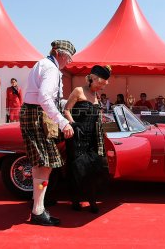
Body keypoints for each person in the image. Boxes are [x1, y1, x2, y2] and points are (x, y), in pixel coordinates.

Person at [19, 40, 76, 226]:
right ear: (59, 53)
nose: (68, 62)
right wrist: (63, 122)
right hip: (38, 116)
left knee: (40, 164)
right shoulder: (51, 69)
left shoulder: (42, 64)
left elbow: (46, 96)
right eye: (68, 57)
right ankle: (38, 211)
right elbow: (45, 97)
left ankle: (38, 206)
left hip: (32, 113)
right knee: (46, 163)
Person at [63, 65, 111, 213]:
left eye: (102, 86)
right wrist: (72, 124)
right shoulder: (78, 90)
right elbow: (66, 110)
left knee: (92, 169)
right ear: (92, 79)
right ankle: (76, 200)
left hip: (92, 138)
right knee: (77, 168)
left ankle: (91, 199)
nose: (100, 88)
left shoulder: (95, 95)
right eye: (99, 84)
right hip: (77, 136)